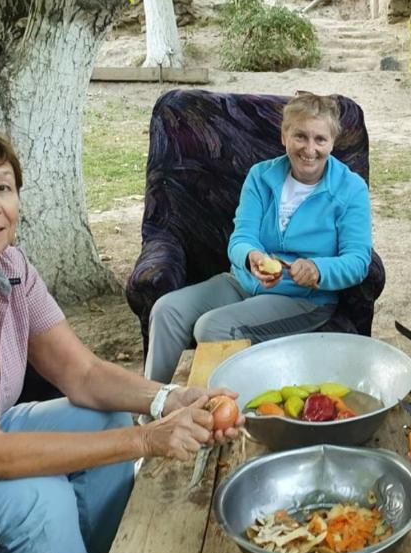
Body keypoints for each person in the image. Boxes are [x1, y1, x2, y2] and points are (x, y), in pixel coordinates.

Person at [0, 128, 243, 553]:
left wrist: (168, 398)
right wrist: (148, 440)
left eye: (3, 188)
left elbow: (81, 373)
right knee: (39, 500)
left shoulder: (10, 268)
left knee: (105, 416)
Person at [145, 92, 372, 383]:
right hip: (243, 281)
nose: (310, 149)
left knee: (212, 328)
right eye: (300, 136)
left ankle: (214, 417)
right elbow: (242, 237)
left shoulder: (350, 188)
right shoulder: (261, 176)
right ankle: (152, 405)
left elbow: (358, 260)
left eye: (320, 139)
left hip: (304, 297)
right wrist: (251, 257)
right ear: (284, 137)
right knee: (167, 310)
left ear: (332, 143)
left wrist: (319, 270)